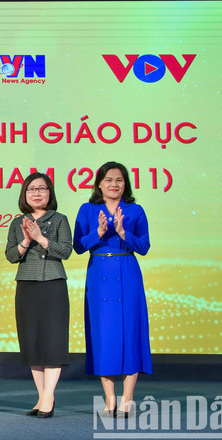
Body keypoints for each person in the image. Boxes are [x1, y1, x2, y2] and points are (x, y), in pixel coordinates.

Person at [73, 161, 151, 418]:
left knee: (131, 332)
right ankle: (110, 398)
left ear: (125, 184)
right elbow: (78, 246)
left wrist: (122, 232)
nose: (114, 184)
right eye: (108, 180)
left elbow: (144, 246)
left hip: (128, 270)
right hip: (99, 272)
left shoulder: (136, 210)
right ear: (99, 183)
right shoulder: (88, 209)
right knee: (103, 335)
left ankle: (128, 399)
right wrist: (99, 231)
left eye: (119, 180)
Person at [5, 173, 72, 419]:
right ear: (24, 194)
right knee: (32, 343)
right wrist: (25, 240)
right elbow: (11, 256)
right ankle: (42, 396)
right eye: (31, 189)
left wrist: (42, 239)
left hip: (53, 283)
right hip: (27, 285)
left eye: (42, 189)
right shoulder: (17, 222)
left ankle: (48, 398)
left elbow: (66, 251)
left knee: (52, 342)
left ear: (49, 193)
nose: (36, 193)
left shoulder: (60, 219)